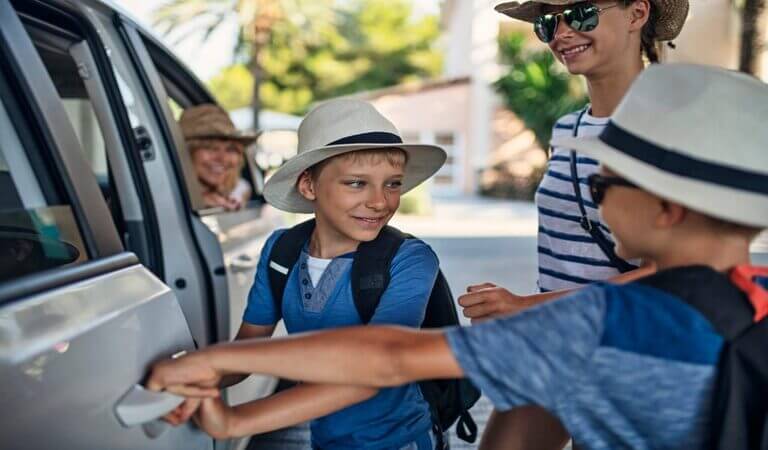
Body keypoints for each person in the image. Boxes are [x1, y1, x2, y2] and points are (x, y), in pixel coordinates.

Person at [147, 64, 768, 450]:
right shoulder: (742, 294)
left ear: (667, 208)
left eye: (602, 187)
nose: (592, 204)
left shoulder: (595, 325)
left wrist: (218, 376)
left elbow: (392, 356)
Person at [457, 1, 688, 446]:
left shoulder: (669, 131)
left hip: (634, 352)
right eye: (549, 22)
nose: (562, 32)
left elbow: (678, 277)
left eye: (580, 13)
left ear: (637, 13)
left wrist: (525, 308)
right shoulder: (566, 129)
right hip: (557, 341)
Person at [166, 99, 447, 449]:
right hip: (325, 441)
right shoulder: (282, 251)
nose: (380, 201)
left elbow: (380, 363)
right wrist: (189, 381)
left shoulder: (409, 259)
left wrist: (235, 418)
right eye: (357, 183)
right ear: (309, 186)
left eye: (392, 184)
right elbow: (248, 348)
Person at [179, 104, 256, 211]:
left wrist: (235, 198)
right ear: (186, 152)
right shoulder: (172, 195)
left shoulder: (235, 191)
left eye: (231, 149)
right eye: (211, 148)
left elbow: (243, 186)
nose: (222, 158)